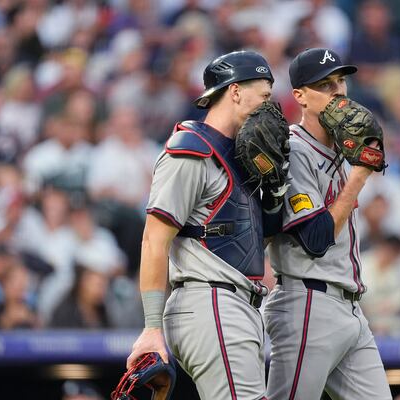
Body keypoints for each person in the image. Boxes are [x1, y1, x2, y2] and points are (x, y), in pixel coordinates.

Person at [126, 50, 285, 399]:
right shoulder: (191, 149)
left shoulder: (246, 156)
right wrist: (152, 327)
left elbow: (253, 238)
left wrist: (276, 193)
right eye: (265, 95)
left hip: (236, 307)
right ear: (236, 92)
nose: (271, 107)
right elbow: (154, 240)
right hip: (211, 301)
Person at [264, 47, 392, 400]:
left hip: (350, 306)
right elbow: (316, 239)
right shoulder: (293, 150)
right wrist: (360, 175)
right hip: (308, 303)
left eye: (341, 81)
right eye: (326, 84)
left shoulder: (340, 149)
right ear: (300, 96)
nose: (338, 91)